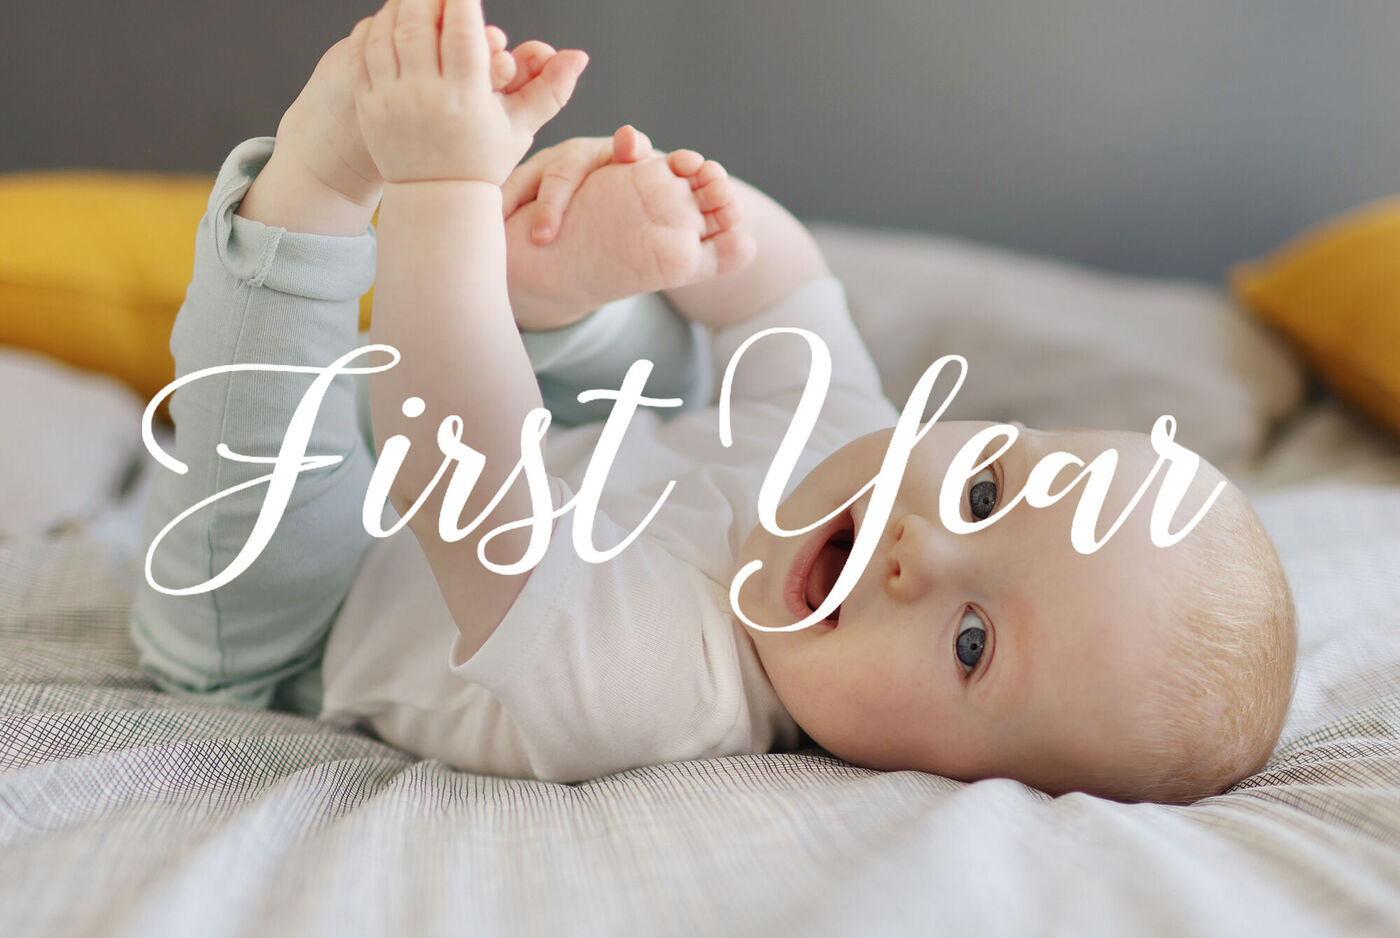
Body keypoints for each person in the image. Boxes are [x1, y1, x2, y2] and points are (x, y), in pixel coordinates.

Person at [132, 0, 1297, 804]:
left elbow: (460, 467)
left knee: (271, 466)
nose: (919, 548)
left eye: (973, 642)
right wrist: (702, 227)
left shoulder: (651, 689)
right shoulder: (848, 443)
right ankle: (550, 291)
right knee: (662, 348)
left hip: (301, 623)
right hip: (518, 458)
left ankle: (318, 186)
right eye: (987, 488)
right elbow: (787, 293)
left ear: (947, 785)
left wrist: (438, 188)